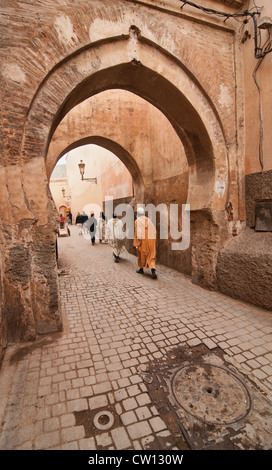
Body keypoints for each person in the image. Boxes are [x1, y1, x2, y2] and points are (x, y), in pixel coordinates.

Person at [133, 207, 157, 279]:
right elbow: (154, 231)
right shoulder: (148, 220)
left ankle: (141, 269)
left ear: (138, 214)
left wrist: (137, 243)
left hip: (143, 241)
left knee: (141, 255)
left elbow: (138, 233)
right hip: (151, 240)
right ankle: (153, 271)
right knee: (151, 256)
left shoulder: (137, 221)